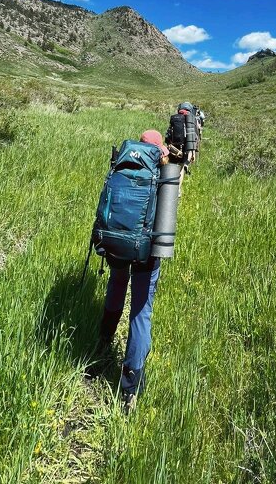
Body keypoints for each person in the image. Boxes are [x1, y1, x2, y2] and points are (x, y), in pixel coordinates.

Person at [96, 129, 169, 412]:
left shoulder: (122, 163)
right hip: (145, 251)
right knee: (141, 309)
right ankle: (130, 388)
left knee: (116, 283)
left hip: (115, 241)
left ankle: (103, 340)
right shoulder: (163, 167)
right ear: (159, 147)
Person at [165, 102, 197, 194]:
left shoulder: (174, 118)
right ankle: (177, 190)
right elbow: (193, 138)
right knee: (181, 168)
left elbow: (168, 134)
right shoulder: (191, 120)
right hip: (185, 149)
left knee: (170, 165)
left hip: (173, 147)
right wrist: (193, 153)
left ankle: (166, 188)